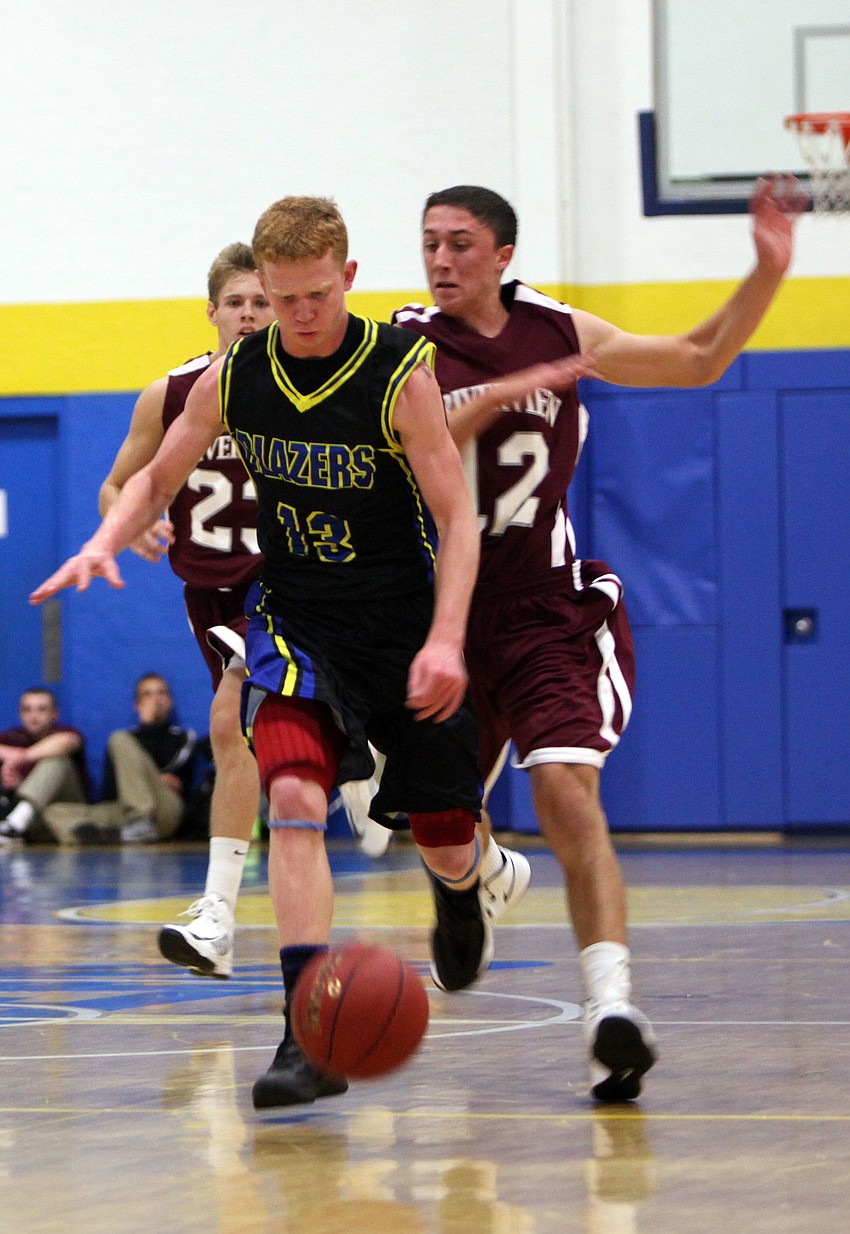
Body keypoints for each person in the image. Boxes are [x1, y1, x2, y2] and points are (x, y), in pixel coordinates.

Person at [30, 195, 533, 1111]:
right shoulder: (236, 374)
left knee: (441, 833)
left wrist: (452, 638)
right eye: (283, 296)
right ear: (261, 286)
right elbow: (162, 471)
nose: (301, 315)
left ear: (347, 278)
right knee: (295, 796)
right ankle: (306, 1030)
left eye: (316, 295)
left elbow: (458, 518)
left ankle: (462, 888)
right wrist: (106, 539)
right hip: (297, 619)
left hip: (402, 623)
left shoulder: (396, 370)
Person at [393, 176, 806, 1103]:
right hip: (442, 616)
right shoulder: (403, 345)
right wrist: (508, 391)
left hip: (546, 610)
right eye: (429, 242)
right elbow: (419, 436)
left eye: (460, 243)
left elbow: (699, 356)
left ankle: (611, 1011)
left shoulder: (560, 331)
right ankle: (468, 883)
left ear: (503, 255)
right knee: (435, 826)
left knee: (569, 793)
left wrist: (767, 271)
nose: (441, 258)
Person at [103, 243, 390, 981]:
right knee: (253, 740)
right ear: (212, 313)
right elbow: (118, 487)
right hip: (210, 592)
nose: (251, 314)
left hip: (287, 582)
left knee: (230, 721)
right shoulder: (172, 395)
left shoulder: (307, 388)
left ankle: (215, 917)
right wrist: (129, 522)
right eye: (237, 302)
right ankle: (363, 761)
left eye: (262, 302)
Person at [42, 673, 197, 844]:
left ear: (170, 701)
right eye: (148, 694)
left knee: (118, 738)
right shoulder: (125, 740)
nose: (156, 700)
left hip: (163, 809)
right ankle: (115, 835)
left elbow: (173, 773)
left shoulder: (184, 736)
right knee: (53, 812)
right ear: (137, 705)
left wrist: (148, 727)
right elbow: (111, 791)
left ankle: (140, 821)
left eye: (161, 693)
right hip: (126, 812)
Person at [0, 687, 91, 844]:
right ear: (20, 714)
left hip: (67, 809)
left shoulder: (64, 732)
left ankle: (15, 824)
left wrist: (20, 757)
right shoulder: (13, 737)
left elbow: (67, 742)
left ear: (55, 714)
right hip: (32, 817)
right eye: (27, 710)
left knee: (56, 759)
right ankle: (14, 825)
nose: (34, 716)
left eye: (42, 709)